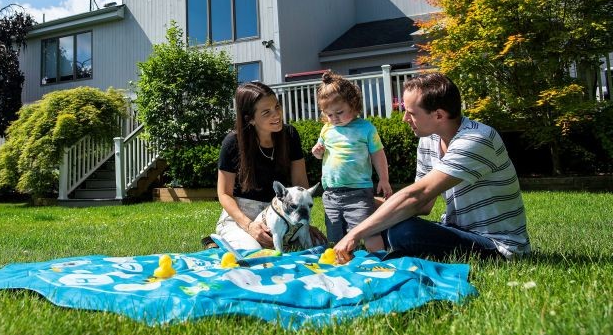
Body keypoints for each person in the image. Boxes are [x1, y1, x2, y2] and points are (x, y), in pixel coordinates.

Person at [333, 72, 531, 263]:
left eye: (411, 113)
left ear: (438, 115)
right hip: (457, 230)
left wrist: (355, 233)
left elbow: (417, 195)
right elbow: (424, 205)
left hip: (497, 245)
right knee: (392, 222)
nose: (404, 119)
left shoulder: (477, 139)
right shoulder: (429, 140)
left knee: (404, 232)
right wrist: (362, 201)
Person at [213, 81, 325, 250]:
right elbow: (224, 194)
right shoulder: (233, 142)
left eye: (277, 106)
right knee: (254, 251)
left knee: (318, 245)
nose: (277, 115)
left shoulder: (290, 135)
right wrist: (249, 226)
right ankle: (219, 241)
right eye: (267, 112)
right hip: (243, 214)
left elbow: (300, 182)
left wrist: (302, 224)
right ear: (250, 119)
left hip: (282, 212)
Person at [311, 71, 392, 251]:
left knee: (367, 230)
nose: (334, 118)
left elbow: (378, 154)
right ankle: (344, 263)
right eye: (329, 114)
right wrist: (317, 152)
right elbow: (320, 154)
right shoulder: (326, 129)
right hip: (331, 194)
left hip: (358, 192)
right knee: (335, 235)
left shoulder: (365, 128)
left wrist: (384, 179)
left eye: (339, 112)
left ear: (354, 106)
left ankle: (379, 260)